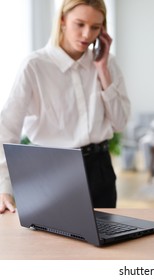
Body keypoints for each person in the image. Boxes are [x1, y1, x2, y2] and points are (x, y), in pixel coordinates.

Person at [0, 0, 130, 213]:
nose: (87, 34)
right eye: (80, 24)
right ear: (62, 20)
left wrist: (103, 70)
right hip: (51, 170)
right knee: (52, 244)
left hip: (99, 168)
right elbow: (6, 129)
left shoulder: (108, 63)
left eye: (95, 27)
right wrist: (4, 186)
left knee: (103, 240)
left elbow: (120, 122)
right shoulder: (34, 66)